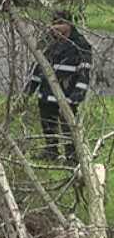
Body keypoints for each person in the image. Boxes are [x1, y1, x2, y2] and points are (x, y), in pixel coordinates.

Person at [26, 11, 92, 161]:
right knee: (47, 123)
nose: (55, 28)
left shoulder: (80, 45)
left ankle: (72, 155)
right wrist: (30, 89)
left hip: (66, 94)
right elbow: (39, 67)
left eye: (59, 24)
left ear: (69, 25)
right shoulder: (49, 43)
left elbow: (84, 73)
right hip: (46, 93)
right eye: (53, 24)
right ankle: (51, 151)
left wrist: (76, 96)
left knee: (68, 127)